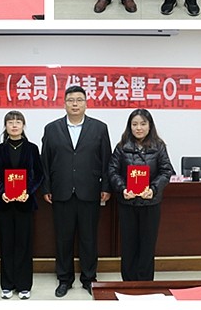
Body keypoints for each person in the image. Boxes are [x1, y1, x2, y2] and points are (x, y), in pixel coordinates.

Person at [40, 85, 112, 297]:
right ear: (64, 103)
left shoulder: (99, 128)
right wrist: (47, 187)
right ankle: (64, 279)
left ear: (86, 104)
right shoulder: (51, 129)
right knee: (63, 239)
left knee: (89, 238)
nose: (75, 104)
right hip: (61, 192)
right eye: (70, 100)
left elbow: (106, 159)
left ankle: (89, 278)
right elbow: (45, 161)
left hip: (90, 191)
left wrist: (106, 186)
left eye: (79, 100)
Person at [108, 109, 175, 281]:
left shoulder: (159, 146)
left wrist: (153, 189)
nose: (139, 128)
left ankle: (145, 284)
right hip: (128, 204)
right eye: (135, 124)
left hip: (150, 204)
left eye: (143, 124)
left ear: (150, 126)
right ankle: (128, 284)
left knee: (147, 245)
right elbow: (112, 171)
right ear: (129, 126)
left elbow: (166, 171)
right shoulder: (122, 147)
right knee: (128, 245)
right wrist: (123, 188)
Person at [0, 111, 44, 300]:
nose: (14, 125)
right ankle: (7, 284)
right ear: (5, 126)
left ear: (23, 125)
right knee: (6, 244)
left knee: (24, 244)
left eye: (18, 122)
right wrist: (2, 191)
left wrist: (28, 191)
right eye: (10, 122)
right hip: (4, 203)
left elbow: (39, 175)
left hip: (25, 203)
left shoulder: (32, 148)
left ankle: (24, 285)